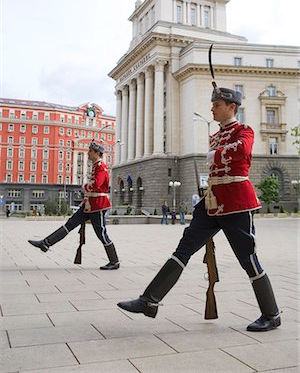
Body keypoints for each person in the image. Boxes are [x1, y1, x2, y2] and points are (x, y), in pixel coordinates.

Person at [118, 87, 281, 332]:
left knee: (248, 258)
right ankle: (149, 300)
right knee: (183, 248)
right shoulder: (215, 136)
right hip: (211, 202)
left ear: (231, 107)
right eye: (212, 104)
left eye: (216, 104)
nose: (212, 108)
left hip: (237, 203)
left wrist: (216, 155)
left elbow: (243, 151)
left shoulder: (243, 130)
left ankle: (272, 314)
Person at [28, 142, 120, 270]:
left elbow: (97, 185)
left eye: (90, 151)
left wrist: (85, 187)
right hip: (90, 204)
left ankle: (114, 261)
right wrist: (86, 198)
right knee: (70, 224)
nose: (88, 153)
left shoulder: (101, 166)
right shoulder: (96, 166)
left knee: (101, 233)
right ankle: (46, 243)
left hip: (98, 205)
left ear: (96, 153)